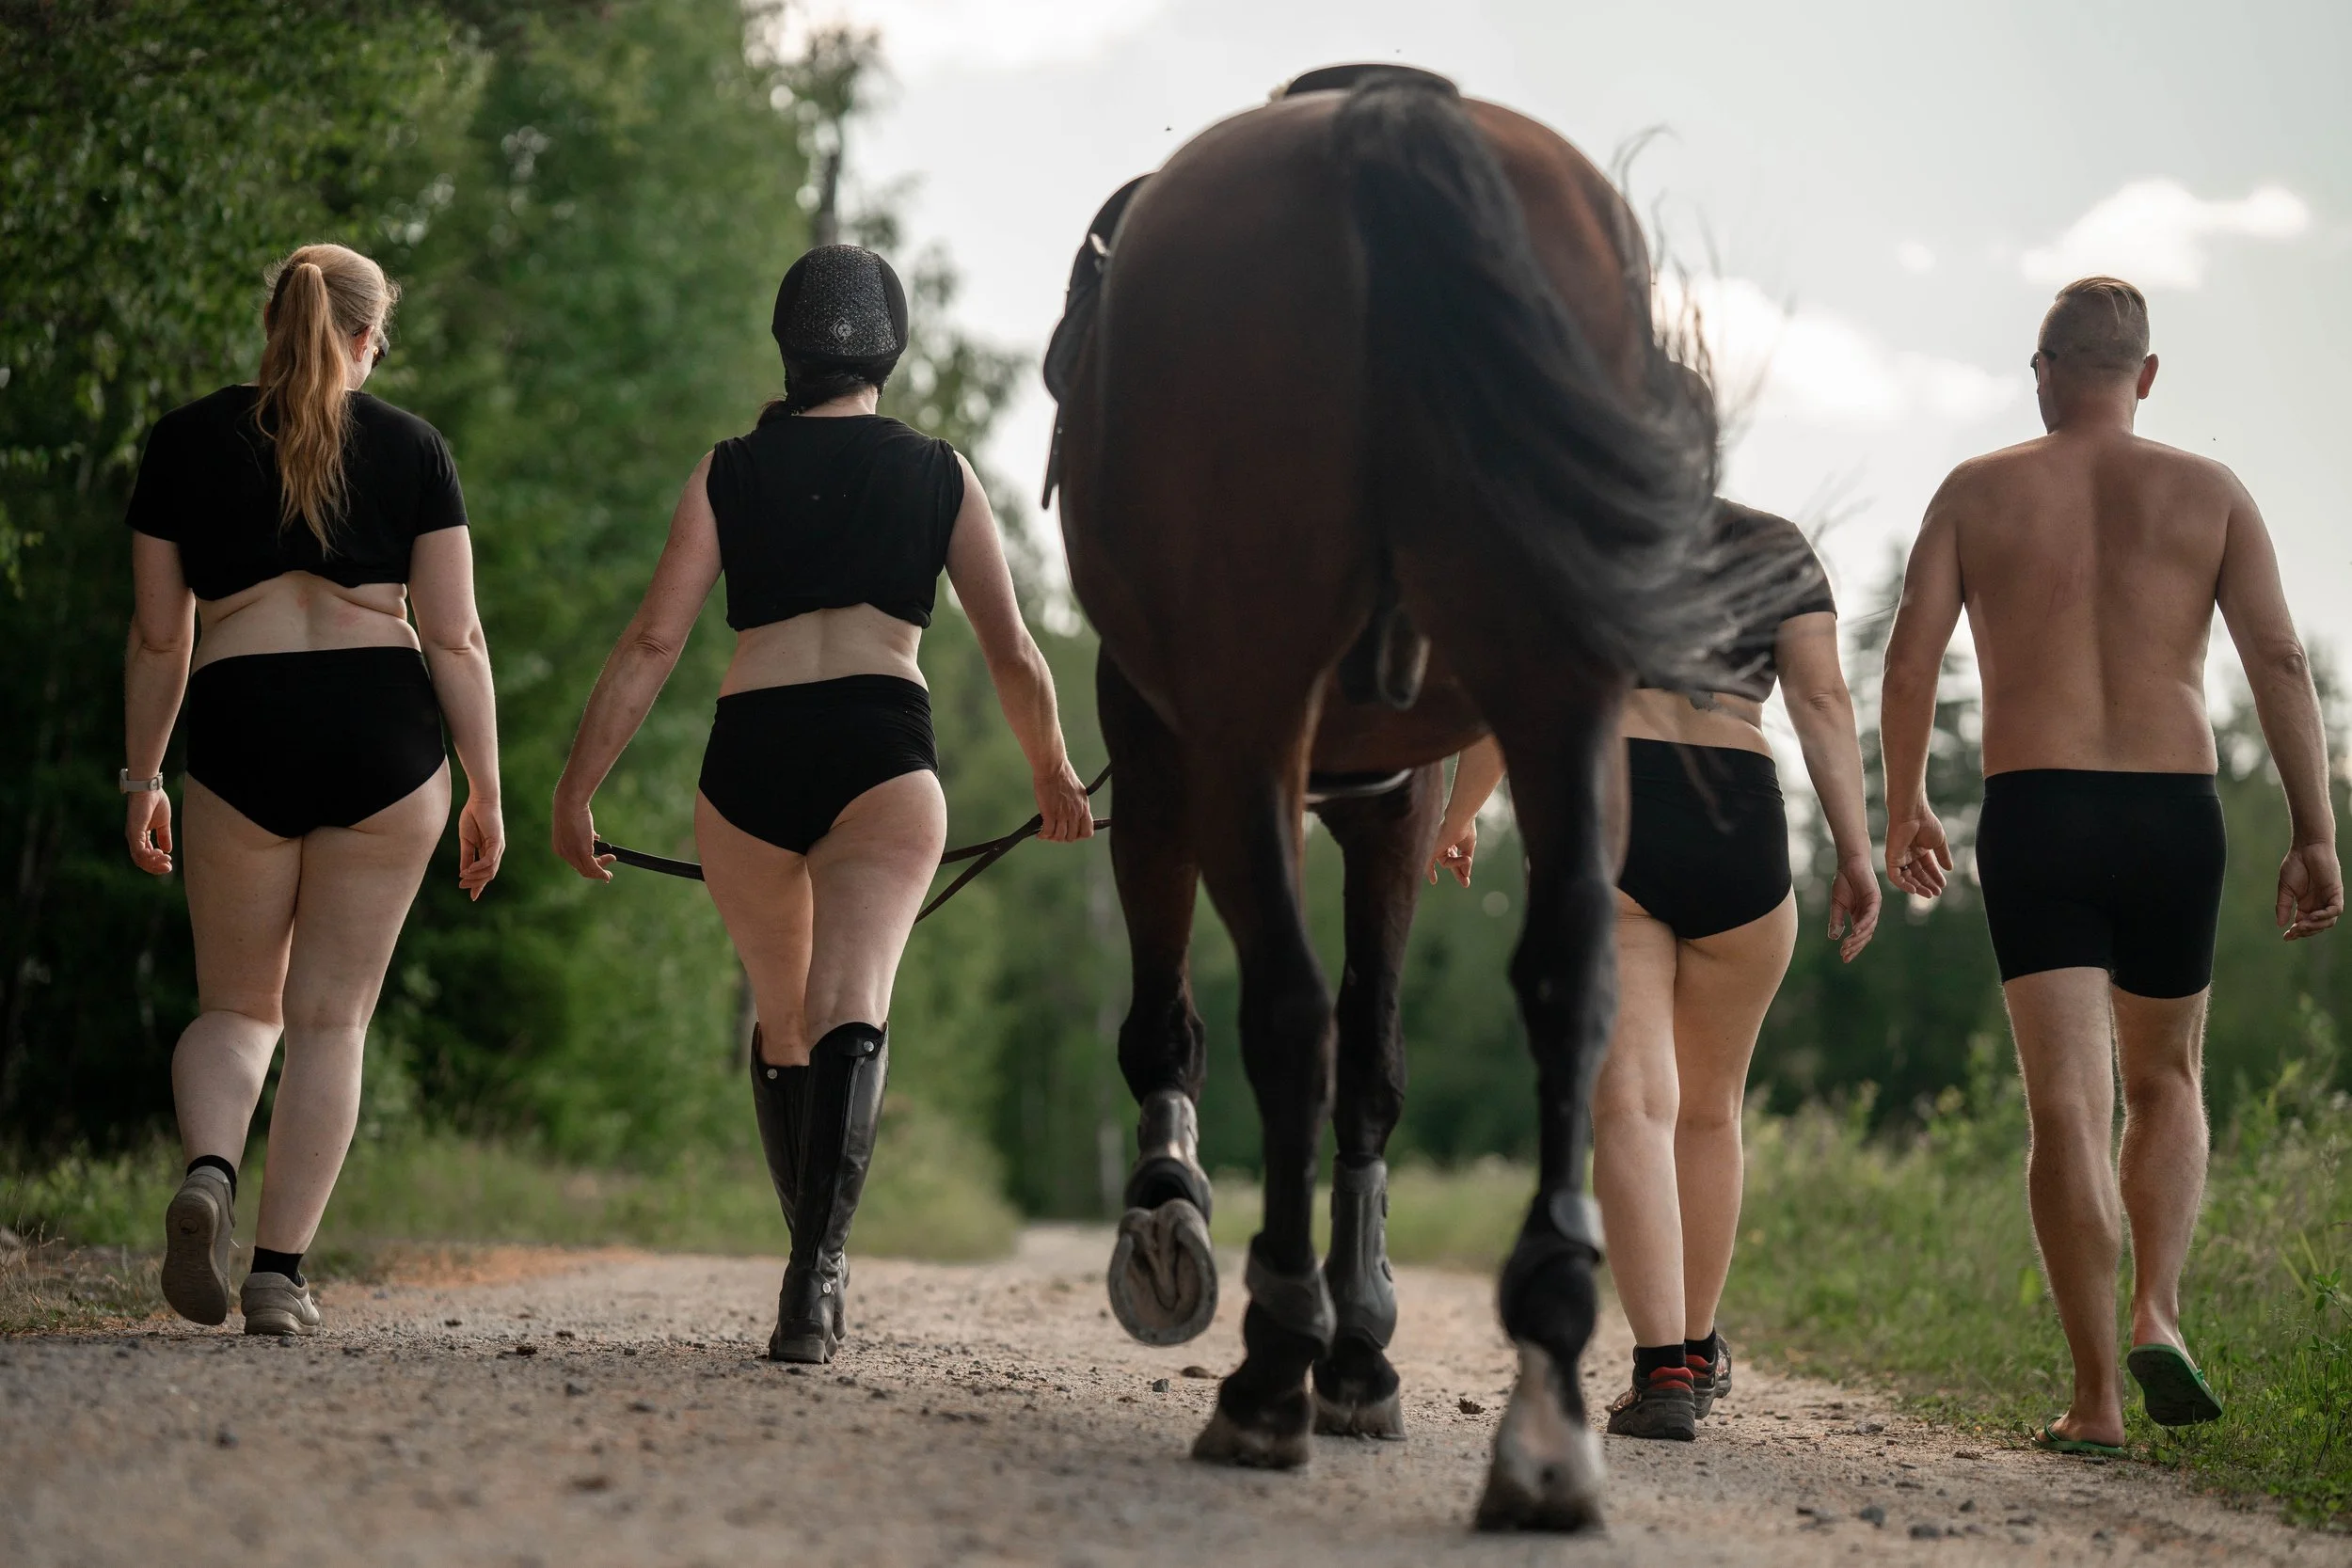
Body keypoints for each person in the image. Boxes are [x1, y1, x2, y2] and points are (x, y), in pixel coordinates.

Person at [551, 244, 1093, 1365]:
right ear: (887, 350)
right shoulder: (938, 470)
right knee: (854, 1001)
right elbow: (1015, 652)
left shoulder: (725, 468)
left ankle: (806, 1251)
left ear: (786, 348)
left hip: (749, 751)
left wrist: (575, 790)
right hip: (878, 747)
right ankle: (816, 1281)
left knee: (782, 1012)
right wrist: (1050, 774)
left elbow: (654, 641)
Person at [1883, 277, 2341, 1453]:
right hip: (2171, 810)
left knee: (2065, 1104)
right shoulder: (2211, 492)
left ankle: (2093, 1400)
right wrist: (2313, 826)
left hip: (2036, 809)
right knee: (2167, 1081)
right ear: (2145, 375)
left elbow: (1909, 654)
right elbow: (2279, 660)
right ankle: (2158, 1306)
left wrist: (1903, 803)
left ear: (2041, 372)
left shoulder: (1976, 491)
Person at [1430, 496, 1880, 1441]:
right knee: (1711, 1107)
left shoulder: (1572, 525)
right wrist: (1854, 848)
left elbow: (1508, 698)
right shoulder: (1773, 541)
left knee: (1631, 1101)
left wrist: (1458, 810)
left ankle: (1663, 1368)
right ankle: (1699, 1341)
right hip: (1741, 811)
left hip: (1610, 800)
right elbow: (1821, 699)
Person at [126, 243, 503, 1336]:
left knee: (237, 1006)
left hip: (243, 725)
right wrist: (485, 787)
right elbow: (457, 633)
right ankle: (278, 1275)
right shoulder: (412, 448)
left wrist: (143, 774)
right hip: (380, 732)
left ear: (272, 322)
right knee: (331, 1019)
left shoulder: (184, 442)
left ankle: (209, 1170)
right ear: (366, 336)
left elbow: (160, 637)